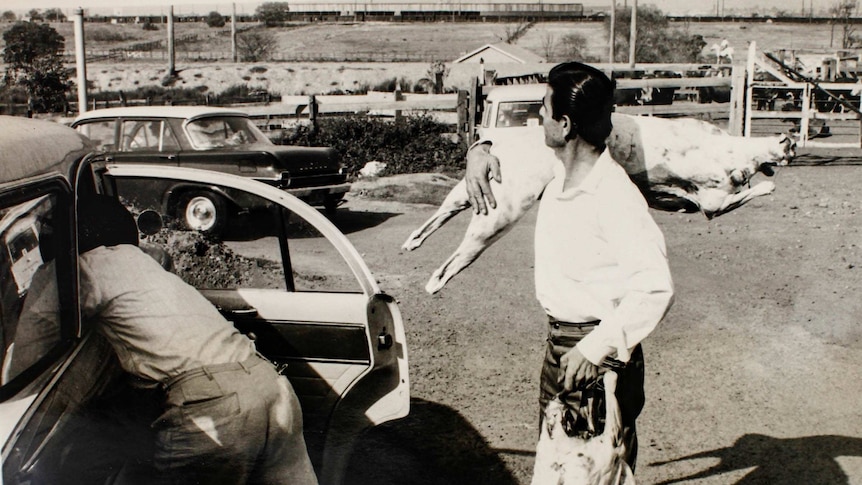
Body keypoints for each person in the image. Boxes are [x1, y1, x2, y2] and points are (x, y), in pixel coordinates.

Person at [17, 195, 318, 485]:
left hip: (215, 404)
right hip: (270, 386)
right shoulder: (141, 258)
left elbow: (26, 358)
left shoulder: (77, 269)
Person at [465, 62, 674, 470]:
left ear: (563, 124)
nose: (537, 118)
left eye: (543, 109)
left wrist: (594, 349)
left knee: (590, 471)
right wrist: (480, 148)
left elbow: (655, 287)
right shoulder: (561, 170)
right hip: (562, 344)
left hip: (596, 357)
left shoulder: (613, 195)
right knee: (560, 466)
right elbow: (519, 141)